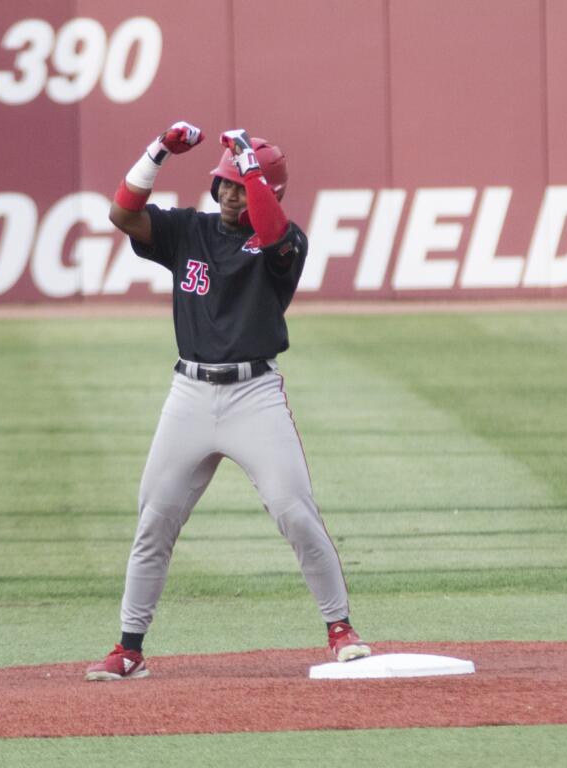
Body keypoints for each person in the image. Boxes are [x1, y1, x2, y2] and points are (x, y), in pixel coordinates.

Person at [85, 123, 372, 681]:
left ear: (266, 190)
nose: (229, 195)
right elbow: (122, 214)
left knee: (294, 510)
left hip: (254, 396)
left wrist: (250, 163)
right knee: (154, 521)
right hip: (189, 394)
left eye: (240, 186)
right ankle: (129, 648)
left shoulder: (285, 242)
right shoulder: (189, 230)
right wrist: (159, 151)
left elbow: (271, 230)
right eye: (224, 184)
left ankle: (340, 628)